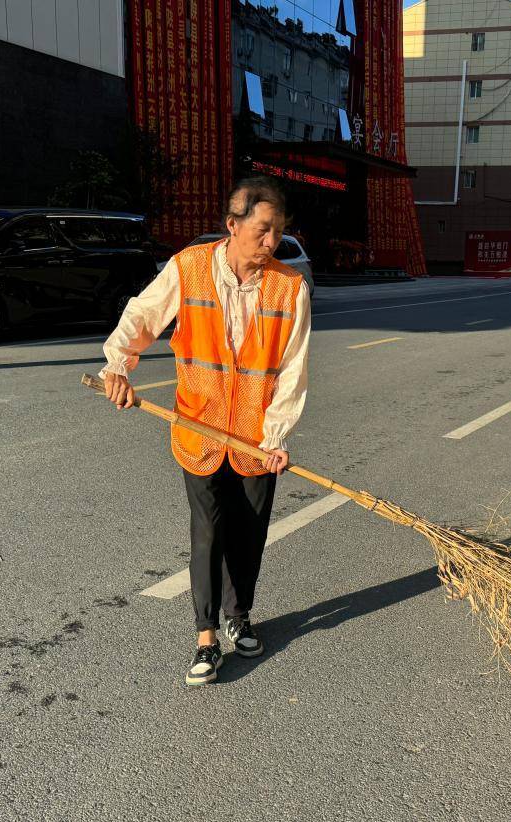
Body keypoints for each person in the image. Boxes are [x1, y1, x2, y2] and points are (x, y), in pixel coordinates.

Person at [100, 177, 310, 686]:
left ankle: (241, 617)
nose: (270, 243)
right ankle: (206, 637)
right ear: (232, 225)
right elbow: (142, 316)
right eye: (261, 231)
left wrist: (276, 435)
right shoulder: (188, 269)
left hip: (258, 437)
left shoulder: (290, 287)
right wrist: (118, 366)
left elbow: (293, 367)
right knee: (209, 528)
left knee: (250, 531)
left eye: (277, 233)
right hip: (198, 427)